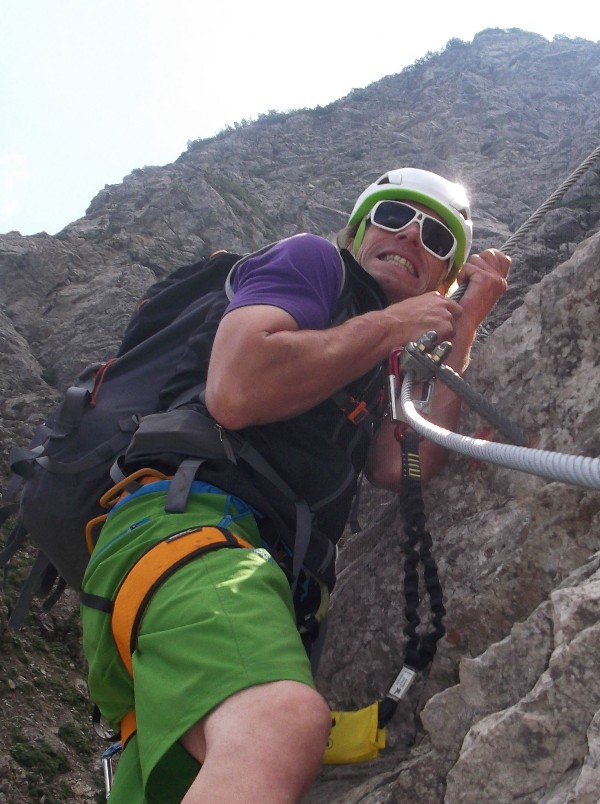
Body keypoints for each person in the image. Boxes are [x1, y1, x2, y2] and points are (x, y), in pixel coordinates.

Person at [80, 167, 510, 803]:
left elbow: (399, 464)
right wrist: (397, 326)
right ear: (361, 232)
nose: (413, 236)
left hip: (238, 580)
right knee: (280, 722)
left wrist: (462, 328)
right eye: (394, 217)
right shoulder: (314, 264)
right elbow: (236, 389)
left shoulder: (366, 354)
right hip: (190, 530)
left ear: (445, 278)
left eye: (438, 238)